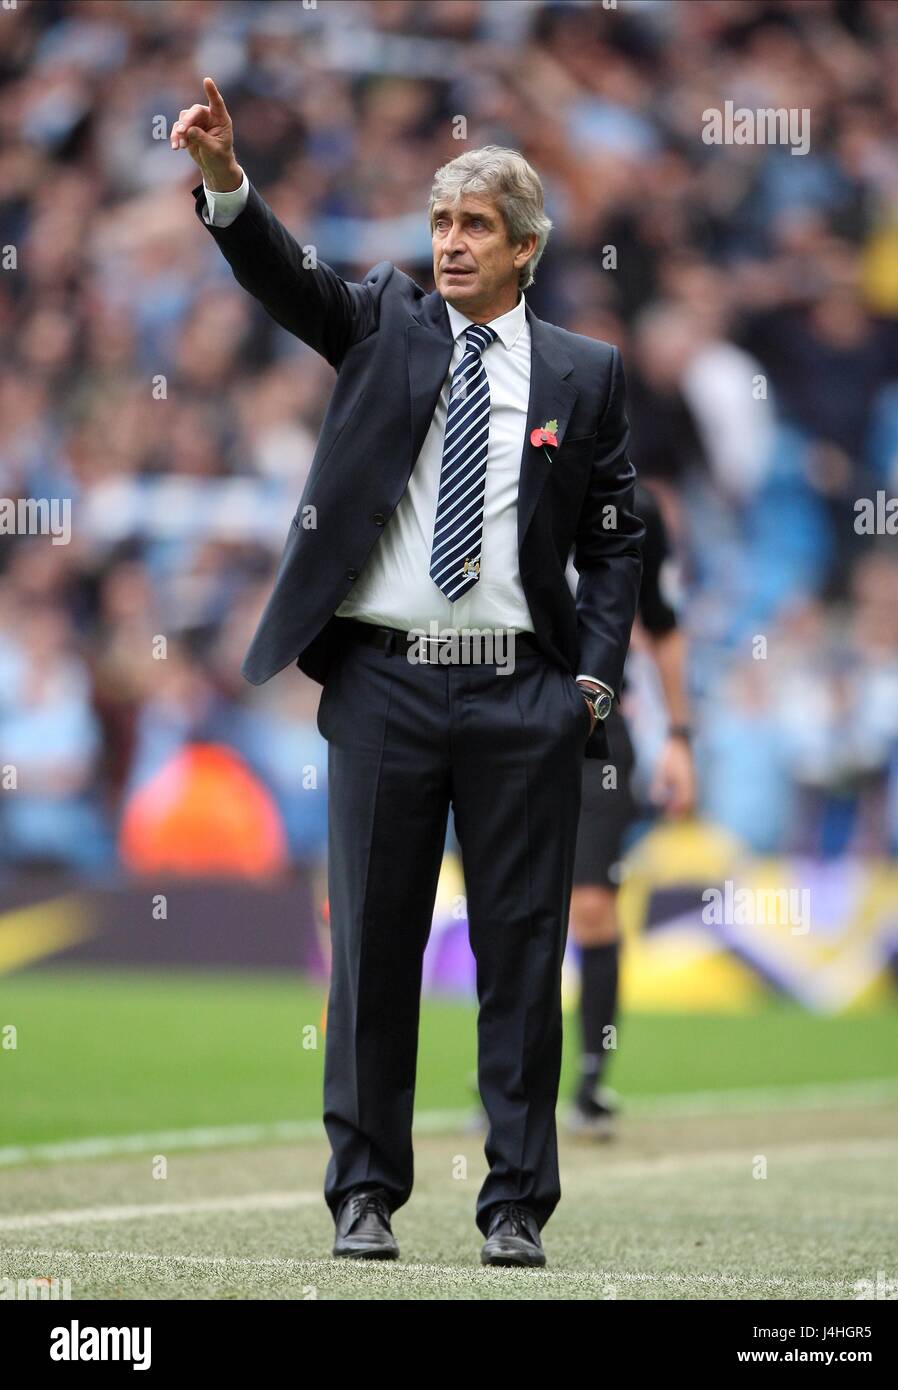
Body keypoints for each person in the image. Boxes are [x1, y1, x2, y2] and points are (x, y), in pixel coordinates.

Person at [173, 79, 644, 1268]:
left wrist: (589, 682)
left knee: (521, 953)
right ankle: (363, 1192)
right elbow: (286, 278)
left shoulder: (586, 374)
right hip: (382, 684)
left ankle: (515, 1205)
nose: (450, 243)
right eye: (442, 224)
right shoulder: (382, 316)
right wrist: (228, 182)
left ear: (526, 248)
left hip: (520, 695)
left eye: (476, 226)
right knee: (373, 952)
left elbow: (617, 538)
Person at [566, 483, 696, 1137]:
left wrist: (679, 737)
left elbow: (664, 624)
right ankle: (505, 1074)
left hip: (597, 728)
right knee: (508, 906)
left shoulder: (634, 507)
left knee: (590, 904)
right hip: (502, 716)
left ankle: (589, 1079)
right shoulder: (502, 473)